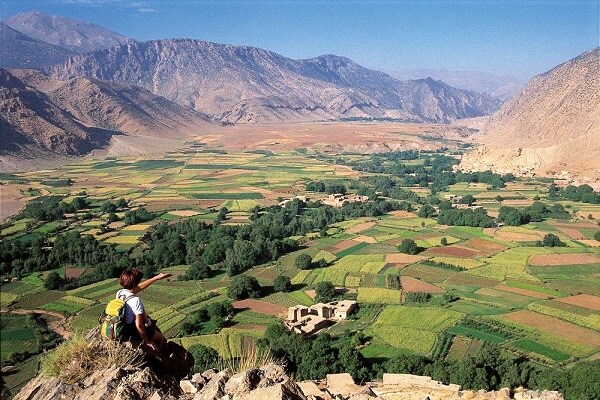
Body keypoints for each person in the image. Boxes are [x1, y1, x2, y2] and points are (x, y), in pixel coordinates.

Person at [117, 268, 172, 354]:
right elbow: (139, 325)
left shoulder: (120, 292)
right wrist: (147, 341)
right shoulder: (136, 300)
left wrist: (156, 278)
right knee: (160, 338)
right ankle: (160, 356)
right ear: (135, 283)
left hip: (122, 326)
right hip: (131, 330)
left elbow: (138, 288)